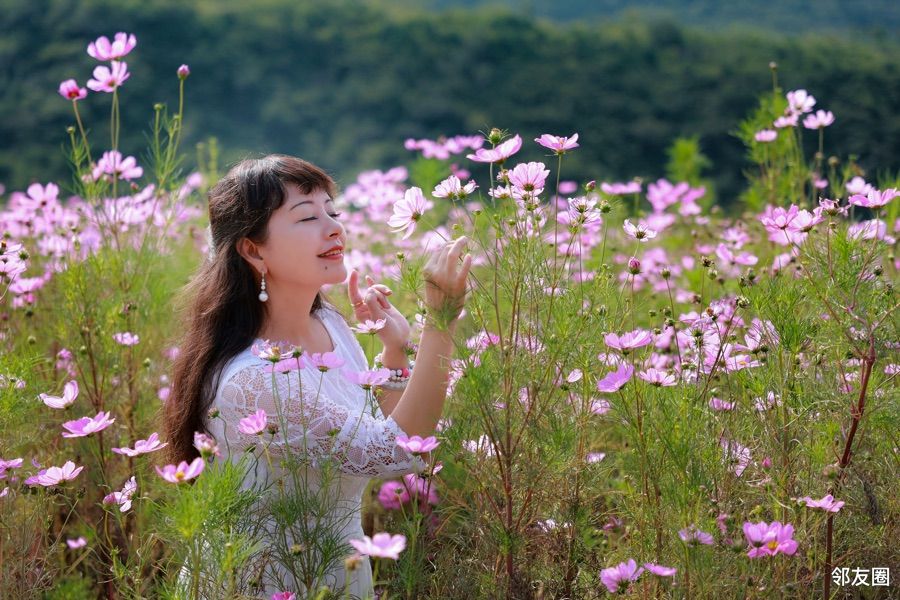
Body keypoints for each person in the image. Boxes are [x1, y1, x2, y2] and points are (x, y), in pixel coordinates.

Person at [164, 155, 472, 598]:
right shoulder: (255, 381)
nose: (333, 228)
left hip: (336, 569)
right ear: (252, 249)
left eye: (333, 212)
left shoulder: (329, 324)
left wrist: (394, 351)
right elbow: (397, 453)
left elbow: (374, 430)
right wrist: (441, 322)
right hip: (265, 580)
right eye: (307, 216)